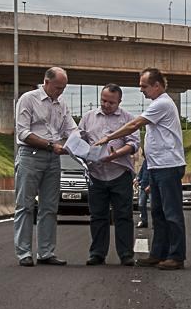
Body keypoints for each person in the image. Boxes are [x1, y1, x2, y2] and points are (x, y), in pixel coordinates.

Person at [95, 68, 186, 270]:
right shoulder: (157, 103)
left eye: (144, 86)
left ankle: (176, 255)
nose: (141, 90)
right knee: (158, 213)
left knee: (171, 213)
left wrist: (109, 137)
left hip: (168, 166)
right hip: (157, 166)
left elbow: (134, 124)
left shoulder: (162, 103)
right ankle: (158, 253)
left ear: (156, 85)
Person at [14, 67, 77, 267]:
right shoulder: (28, 99)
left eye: (63, 88)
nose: (61, 92)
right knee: (25, 205)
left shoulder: (62, 105)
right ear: (46, 82)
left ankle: (46, 252)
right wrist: (50, 145)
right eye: (58, 87)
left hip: (53, 158)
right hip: (30, 156)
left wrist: (85, 142)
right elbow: (23, 133)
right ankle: (24, 252)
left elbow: (72, 129)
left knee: (49, 207)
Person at [79, 84, 140, 266]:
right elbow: (80, 141)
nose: (106, 105)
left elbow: (134, 144)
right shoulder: (88, 118)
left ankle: (126, 254)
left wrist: (116, 154)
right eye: (103, 101)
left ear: (119, 102)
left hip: (120, 173)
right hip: (96, 174)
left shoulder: (128, 119)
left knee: (123, 215)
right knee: (98, 216)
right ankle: (97, 253)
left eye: (111, 103)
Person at [136, 151, 150, 228]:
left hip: (151, 186)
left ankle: (156, 223)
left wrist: (150, 185)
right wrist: (137, 179)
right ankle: (144, 221)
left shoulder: (153, 161)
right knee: (141, 204)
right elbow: (141, 173)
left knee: (154, 206)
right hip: (143, 186)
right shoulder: (145, 162)